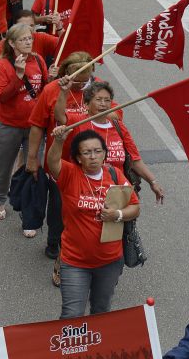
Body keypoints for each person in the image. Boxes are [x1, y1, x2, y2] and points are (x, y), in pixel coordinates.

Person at [46, 125, 139, 317]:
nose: (93, 156)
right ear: (78, 158)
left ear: (105, 153)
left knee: (101, 312)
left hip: (110, 262)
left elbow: (135, 207)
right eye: (87, 152)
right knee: (72, 316)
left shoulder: (115, 175)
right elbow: (52, 162)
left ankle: (96, 348)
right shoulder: (70, 174)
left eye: (98, 151)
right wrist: (59, 140)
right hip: (74, 262)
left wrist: (118, 215)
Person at [26, 53, 95, 282]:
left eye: (86, 79)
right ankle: (54, 241)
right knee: (59, 207)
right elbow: (37, 126)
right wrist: (32, 157)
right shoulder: (52, 90)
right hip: (60, 164)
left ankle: (78, 246)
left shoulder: (95, 92)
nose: (82, 84)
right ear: (67, 73)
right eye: (78, 79)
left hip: (90, 164)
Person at [0, 23, 49, 229]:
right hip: (10, 126)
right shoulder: (3, 65)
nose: (28, 42)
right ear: (12, 43)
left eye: (30, 38)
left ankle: (28, 212)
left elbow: (43, 89)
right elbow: (2, 96)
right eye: (23, 39)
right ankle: (0, 199)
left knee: (33, 167)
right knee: (4, 166)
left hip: (34, 127)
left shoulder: (39, 60)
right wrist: (17, 75)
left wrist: (54, 78)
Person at [83, 81, 165, 204]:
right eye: (98, 100)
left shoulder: (118, 126)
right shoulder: (79, 125)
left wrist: (153, 182)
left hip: (117, 193)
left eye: (107, 100)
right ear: (86, 104)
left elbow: (134, 159)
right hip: (88, 192)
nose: (103, 104)